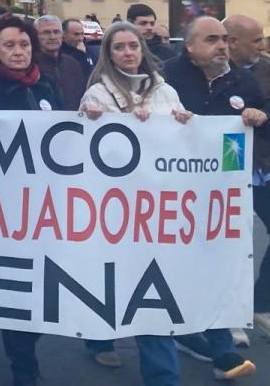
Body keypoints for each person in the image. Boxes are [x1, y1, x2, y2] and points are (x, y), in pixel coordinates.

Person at [77, 22, 194, 376]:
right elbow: (87, 150)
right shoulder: (97, 94)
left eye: (133, 46)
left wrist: (185, 123)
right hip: (114, 207)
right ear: (108, 55)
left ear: (143, 50)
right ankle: (99, 338)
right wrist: (97, 121)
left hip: (157, 205)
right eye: (119, 47)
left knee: (150, 290)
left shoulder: (166, 91)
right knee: (110, 280)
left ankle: (163, 376)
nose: (128, 53)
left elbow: (183, 141)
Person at [163, 17, 270, 378]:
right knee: (178, 266)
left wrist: (262, 117)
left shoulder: (242, 80)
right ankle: (182, 331)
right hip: (171, 190)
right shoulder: (167, 77)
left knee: (216, 262)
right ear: (190, 46)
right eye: (212, 39)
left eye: (225, 39)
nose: (222, 45)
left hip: (221, 192)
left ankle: (222, 346)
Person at [0, 15, 59, 386]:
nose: (18, 52)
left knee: (42, 285)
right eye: (10, 46)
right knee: (15, 288)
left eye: (24, 44)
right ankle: (23, 365)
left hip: (46, 204)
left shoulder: (47, 86)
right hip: (3, 208)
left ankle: (27, 344)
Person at [224, 15, 270, 343]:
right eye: (256, 40)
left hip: (265, 168)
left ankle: (263, 305)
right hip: (225, 169)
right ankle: (227, 315)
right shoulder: (203, 74)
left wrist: (265, 119)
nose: (263, 46)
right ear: (233, 42)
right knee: (228, 242)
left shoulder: (263, 69)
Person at [35, 15, 87, 110]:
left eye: (56, 32)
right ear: (35, 36)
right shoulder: (31, 66)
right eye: (46, 32)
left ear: (62, 35)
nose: (52, 37)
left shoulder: (73, 64)